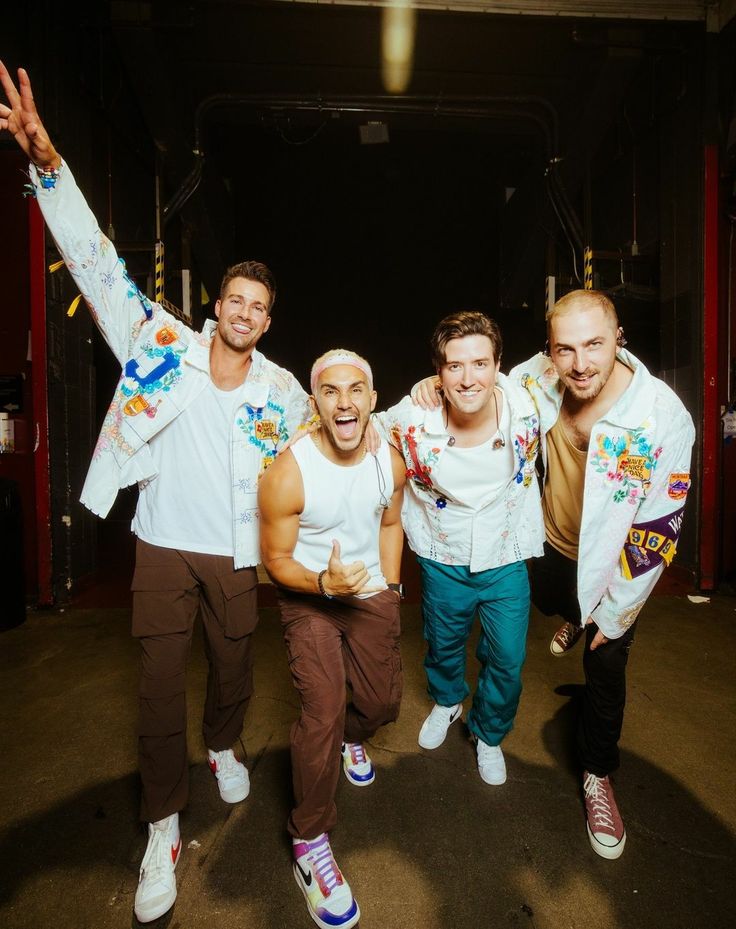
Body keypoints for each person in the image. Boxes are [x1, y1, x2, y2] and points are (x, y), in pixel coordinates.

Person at [0, 63, 313, 922]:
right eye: (235, 299)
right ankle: (163, 826)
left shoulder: (283, 390)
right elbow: (97, 264)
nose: (244, 312)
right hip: (164, 546)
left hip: (243, 551)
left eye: (260, 306)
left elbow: (338, 435)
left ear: (269, 320)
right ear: (217, 304)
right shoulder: (162, 342)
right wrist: (49, 164)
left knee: (235, 671)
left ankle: (222, 742)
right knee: (155, 684)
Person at [414, 290, 695, 860]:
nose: (580, 364)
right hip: (542, 546)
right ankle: (570, 615)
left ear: (620, 338)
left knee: (605, 662)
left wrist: (616, 612)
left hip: (612, 566)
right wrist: (431, 391)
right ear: (549, 350)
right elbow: (478, 386)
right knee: (532, 608)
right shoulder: (534, 379)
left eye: (594, 345)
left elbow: (657, 530)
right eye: (565, 349)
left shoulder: (662, 416)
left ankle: (597, 776)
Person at [258, 349, 405, 929]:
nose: (344, 401)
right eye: (330, 391)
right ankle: (310, 839)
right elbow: (275, 558)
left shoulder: (388, 462)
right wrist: (322, 582)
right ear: (315, 403)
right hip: (308, 598)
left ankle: (354, 737)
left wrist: (390, 588)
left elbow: (391, 523)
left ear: (371, 399)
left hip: (369, 593)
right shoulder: (288, 470)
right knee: (321, 712)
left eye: (356, 390)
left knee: (380, 704)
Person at [379, 311, 544, 786]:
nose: (468, 378)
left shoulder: (526, 404)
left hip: (506, 556)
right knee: (443, 644)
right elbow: (355, 428)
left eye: (479, 363)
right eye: (454, 366)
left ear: (498, 366)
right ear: (439, 371)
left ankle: (489, 734)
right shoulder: (412, 417)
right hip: (441, 554)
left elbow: (582, 361)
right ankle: (448, 701)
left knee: (508, 659)